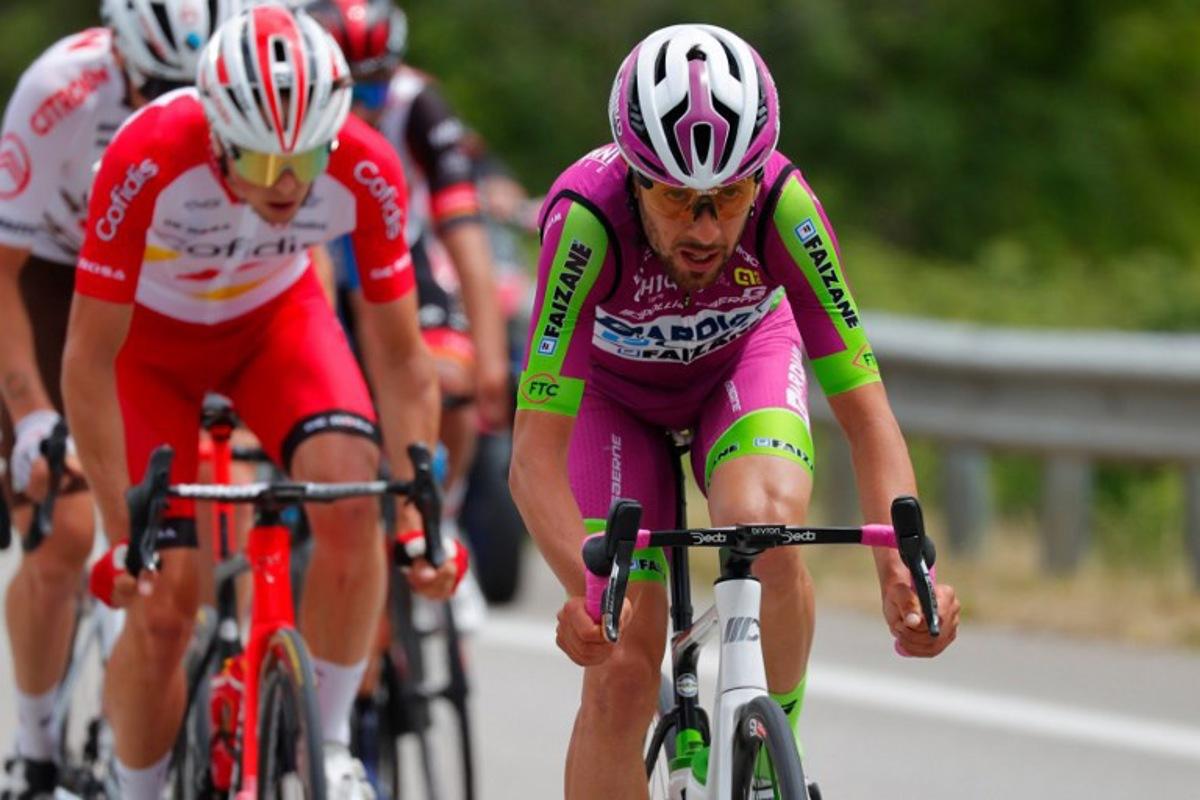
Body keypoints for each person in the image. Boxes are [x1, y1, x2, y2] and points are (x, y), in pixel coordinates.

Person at [508, 24, 962, 798]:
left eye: (728, 197)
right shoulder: (584, 220)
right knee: (621, 662)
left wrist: (902, 572)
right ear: (635, 178)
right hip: (613, 403)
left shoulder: (787, 207)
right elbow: (531, 459)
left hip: (737, 369)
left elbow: (866, 414)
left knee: (764, 524)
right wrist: (587, 594)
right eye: (679, 200)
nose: (707, 228)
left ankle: (766, 751)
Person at [60, 5, 457, 799]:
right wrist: (116, 530)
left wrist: (420, 517)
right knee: (166, 601)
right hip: (152, 352)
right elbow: (88, 360)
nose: (286, 183)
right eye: (260, 160)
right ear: (215, 130)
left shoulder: (366, 166)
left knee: (354, 496)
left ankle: (332, 744)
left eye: (306, 157)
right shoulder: (146, 151)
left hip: (274, 329)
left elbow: (402, 357)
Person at [0, 2, 239, 797]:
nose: (173, 112)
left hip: (157, 282)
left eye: (194, 92)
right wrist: (32, 413)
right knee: (68, 525)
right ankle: (34, 750)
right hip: (54, 273)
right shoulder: (58, 91)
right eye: (155, 89)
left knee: (182, 548)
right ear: (120, 60)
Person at [306, 0, 510, 529]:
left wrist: (488, 358)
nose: (357, 112)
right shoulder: (289, 102)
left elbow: (465, 234)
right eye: (344, 93)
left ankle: (443, 513)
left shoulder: (418, 102)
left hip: (398, 255)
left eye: (371, 91)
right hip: (313, 256)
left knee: (454, 384)